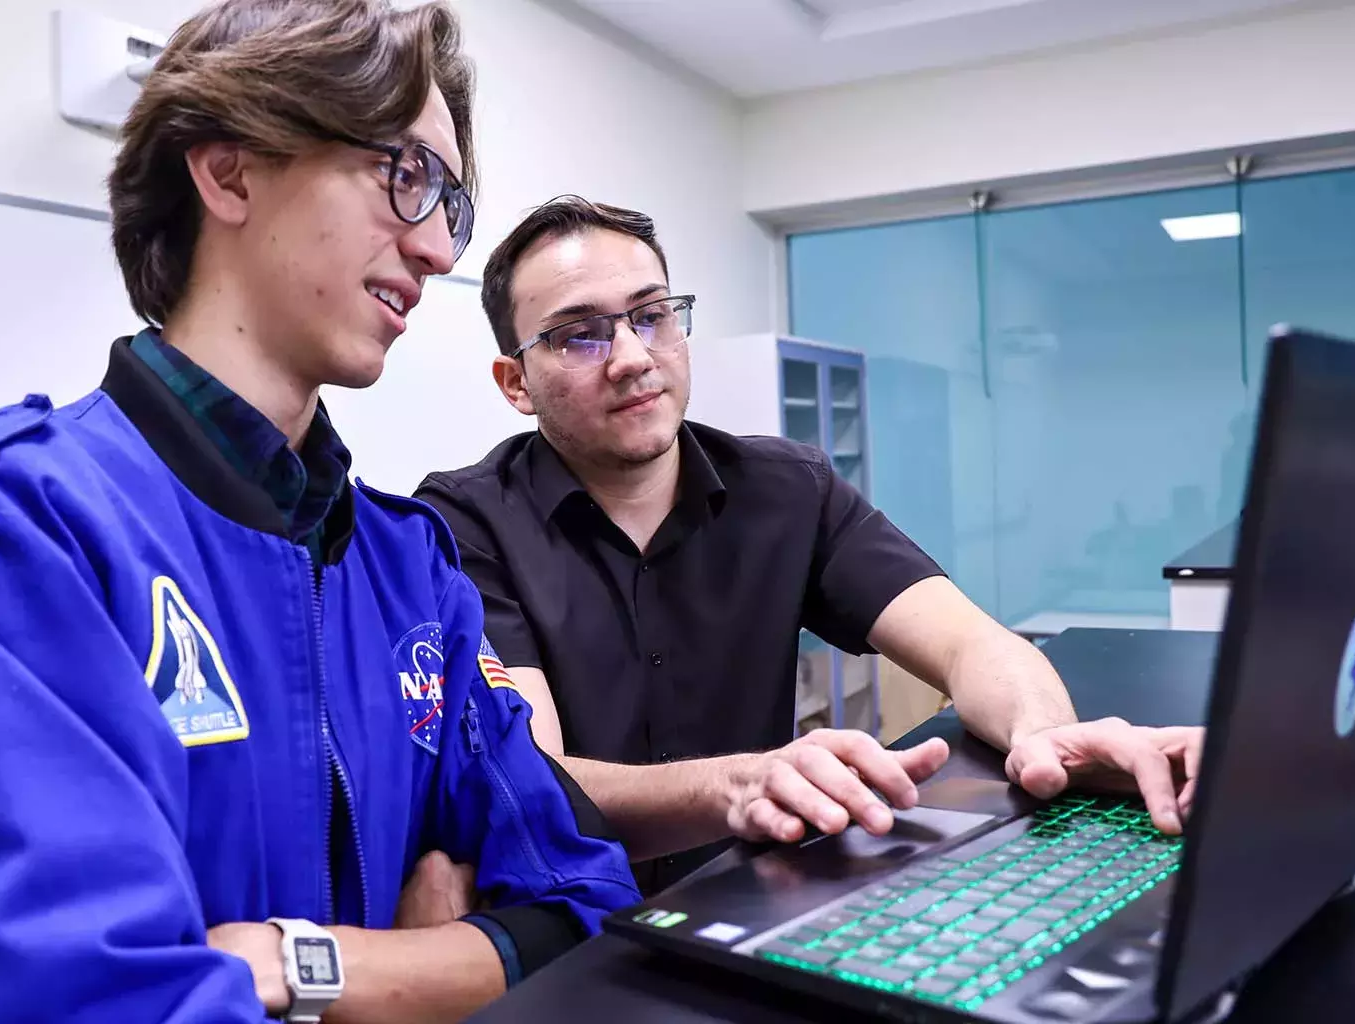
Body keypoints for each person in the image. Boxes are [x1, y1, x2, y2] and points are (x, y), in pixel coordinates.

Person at [0, 6, 639, 1022]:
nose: (433, 248)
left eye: (447, 200)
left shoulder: (408, 568)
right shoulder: (9, 536)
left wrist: (308, 964)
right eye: (404, 175)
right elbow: (68, 1001)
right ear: (229, 169)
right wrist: (433, 968)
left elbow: (585, 906)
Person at [415, 196, 1203, 895]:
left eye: (651, 314)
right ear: (514, 382)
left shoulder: (787, 489)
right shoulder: (462, 524)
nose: (631, 357)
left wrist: (1044, 737)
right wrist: (739, 785)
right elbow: (537, 782)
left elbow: (970, 644)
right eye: (578, 336)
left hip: (753, 890)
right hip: (569, 917)